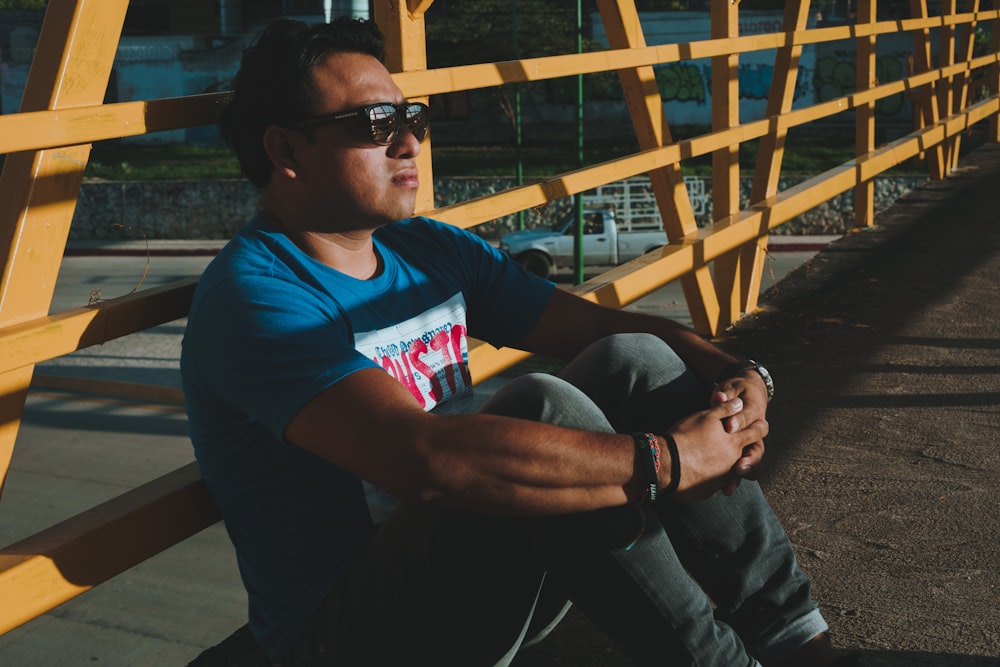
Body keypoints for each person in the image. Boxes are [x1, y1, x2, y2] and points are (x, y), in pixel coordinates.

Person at [181, 16, 854, 667]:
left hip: (480, 575)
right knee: (541, 412)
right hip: (349, 635)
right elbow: (425, 460)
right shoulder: (255, 295)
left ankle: (801, 643)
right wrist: (668, 459)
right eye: (375, 125)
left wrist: (741, 373)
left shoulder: (424, 248)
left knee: (639, 361)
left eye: (409, 118)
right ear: (286, 150)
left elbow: (597, 329)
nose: (410, 142)